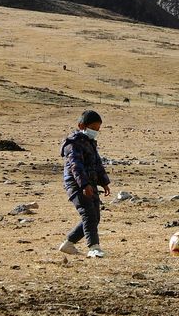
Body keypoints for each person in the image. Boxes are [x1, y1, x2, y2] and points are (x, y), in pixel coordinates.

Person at [58, 109, 111, 258]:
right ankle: (94, 247)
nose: (95, 132)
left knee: (95, 218)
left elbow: (97, 164)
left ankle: (68, 244)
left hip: (90, 184)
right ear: (81, 126)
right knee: (89, 215)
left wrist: (104, 182)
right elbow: (76, 167)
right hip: (77, 185)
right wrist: (83, 185)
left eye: (97, 129)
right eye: (93, 129)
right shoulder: (73, 144)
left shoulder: (90, 143)